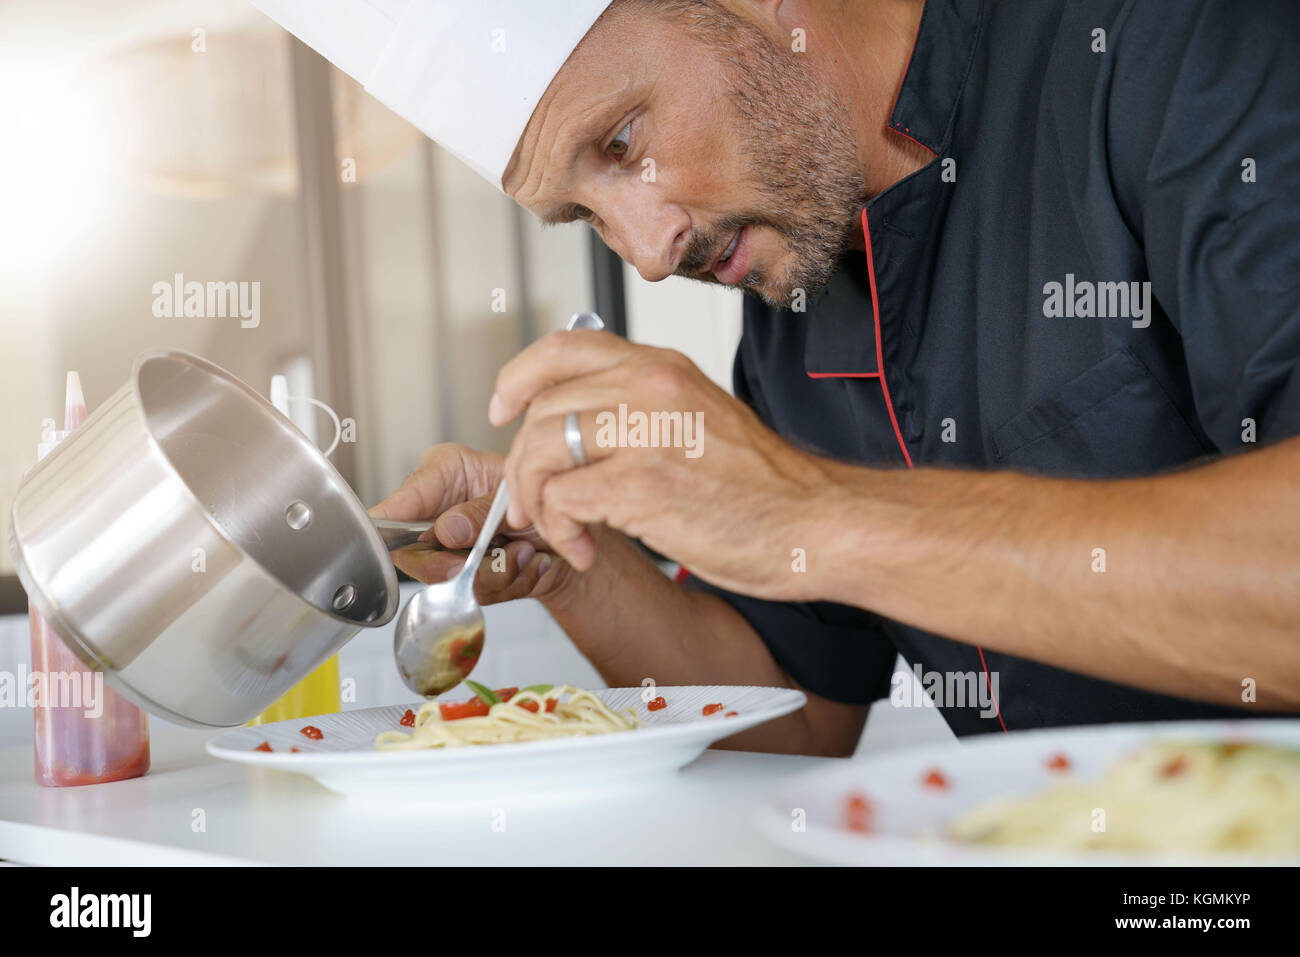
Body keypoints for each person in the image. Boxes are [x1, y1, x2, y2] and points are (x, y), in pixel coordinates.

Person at [256, 0, 1300, 754]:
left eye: (622, 142)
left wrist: (809, 511)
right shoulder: (796, 293)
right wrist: (575, 566)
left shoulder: (1169, 43)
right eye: (583, 216)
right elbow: (796, 710)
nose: (648, 250)